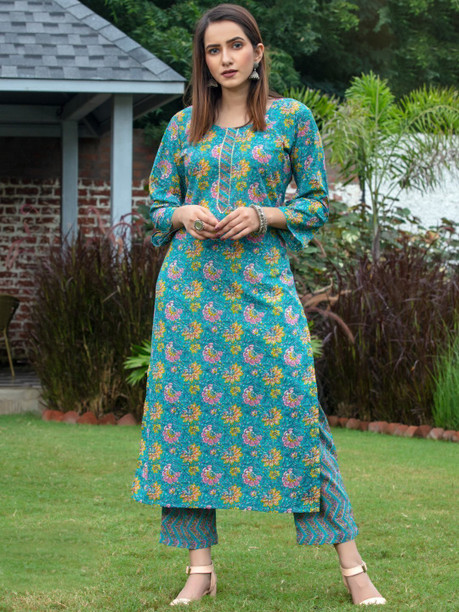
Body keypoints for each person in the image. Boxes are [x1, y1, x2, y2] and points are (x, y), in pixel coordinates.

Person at [131, 3, 387, 607]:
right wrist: (183, 213)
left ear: (258, 51)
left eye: (235, 46)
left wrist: (264, 214)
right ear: (204, 61)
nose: (225, 59)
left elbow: (316, 202)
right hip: (190, 293)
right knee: (187, 420)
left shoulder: (291, 119)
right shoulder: (183, 126)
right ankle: (200, 569)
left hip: (262, 289)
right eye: (213, 50)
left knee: (300, 412)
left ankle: (353, 567)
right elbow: (155, 207)